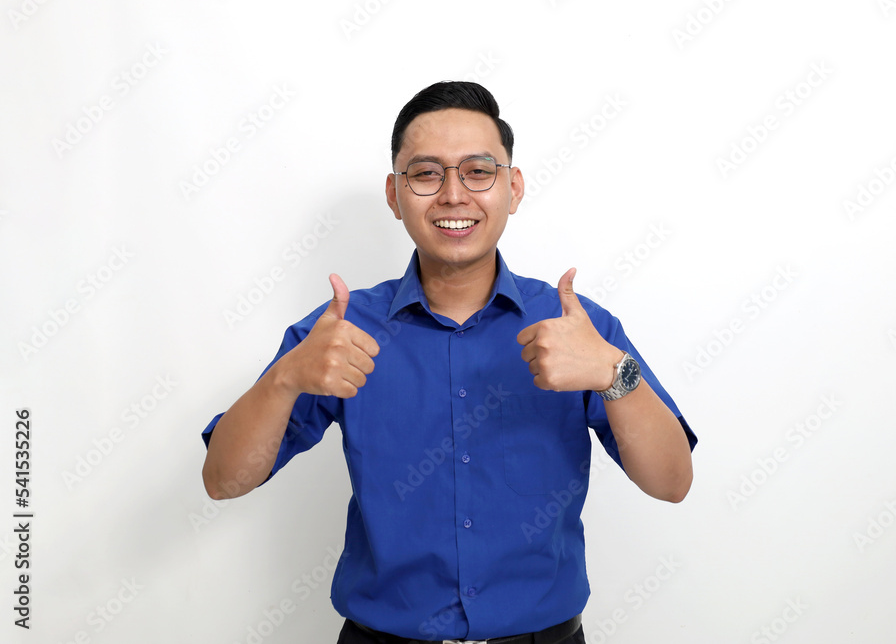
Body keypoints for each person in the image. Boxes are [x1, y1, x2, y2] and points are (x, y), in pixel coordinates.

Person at [201, 81, 696, 644]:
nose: (454, 195)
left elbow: (672, 483)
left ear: (513, 187)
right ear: (394, 195)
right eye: (426, 174)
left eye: (478, 171)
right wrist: (285, 378)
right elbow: (224, 480)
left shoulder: (577, 328)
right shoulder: (338, 332)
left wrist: (613, 373)